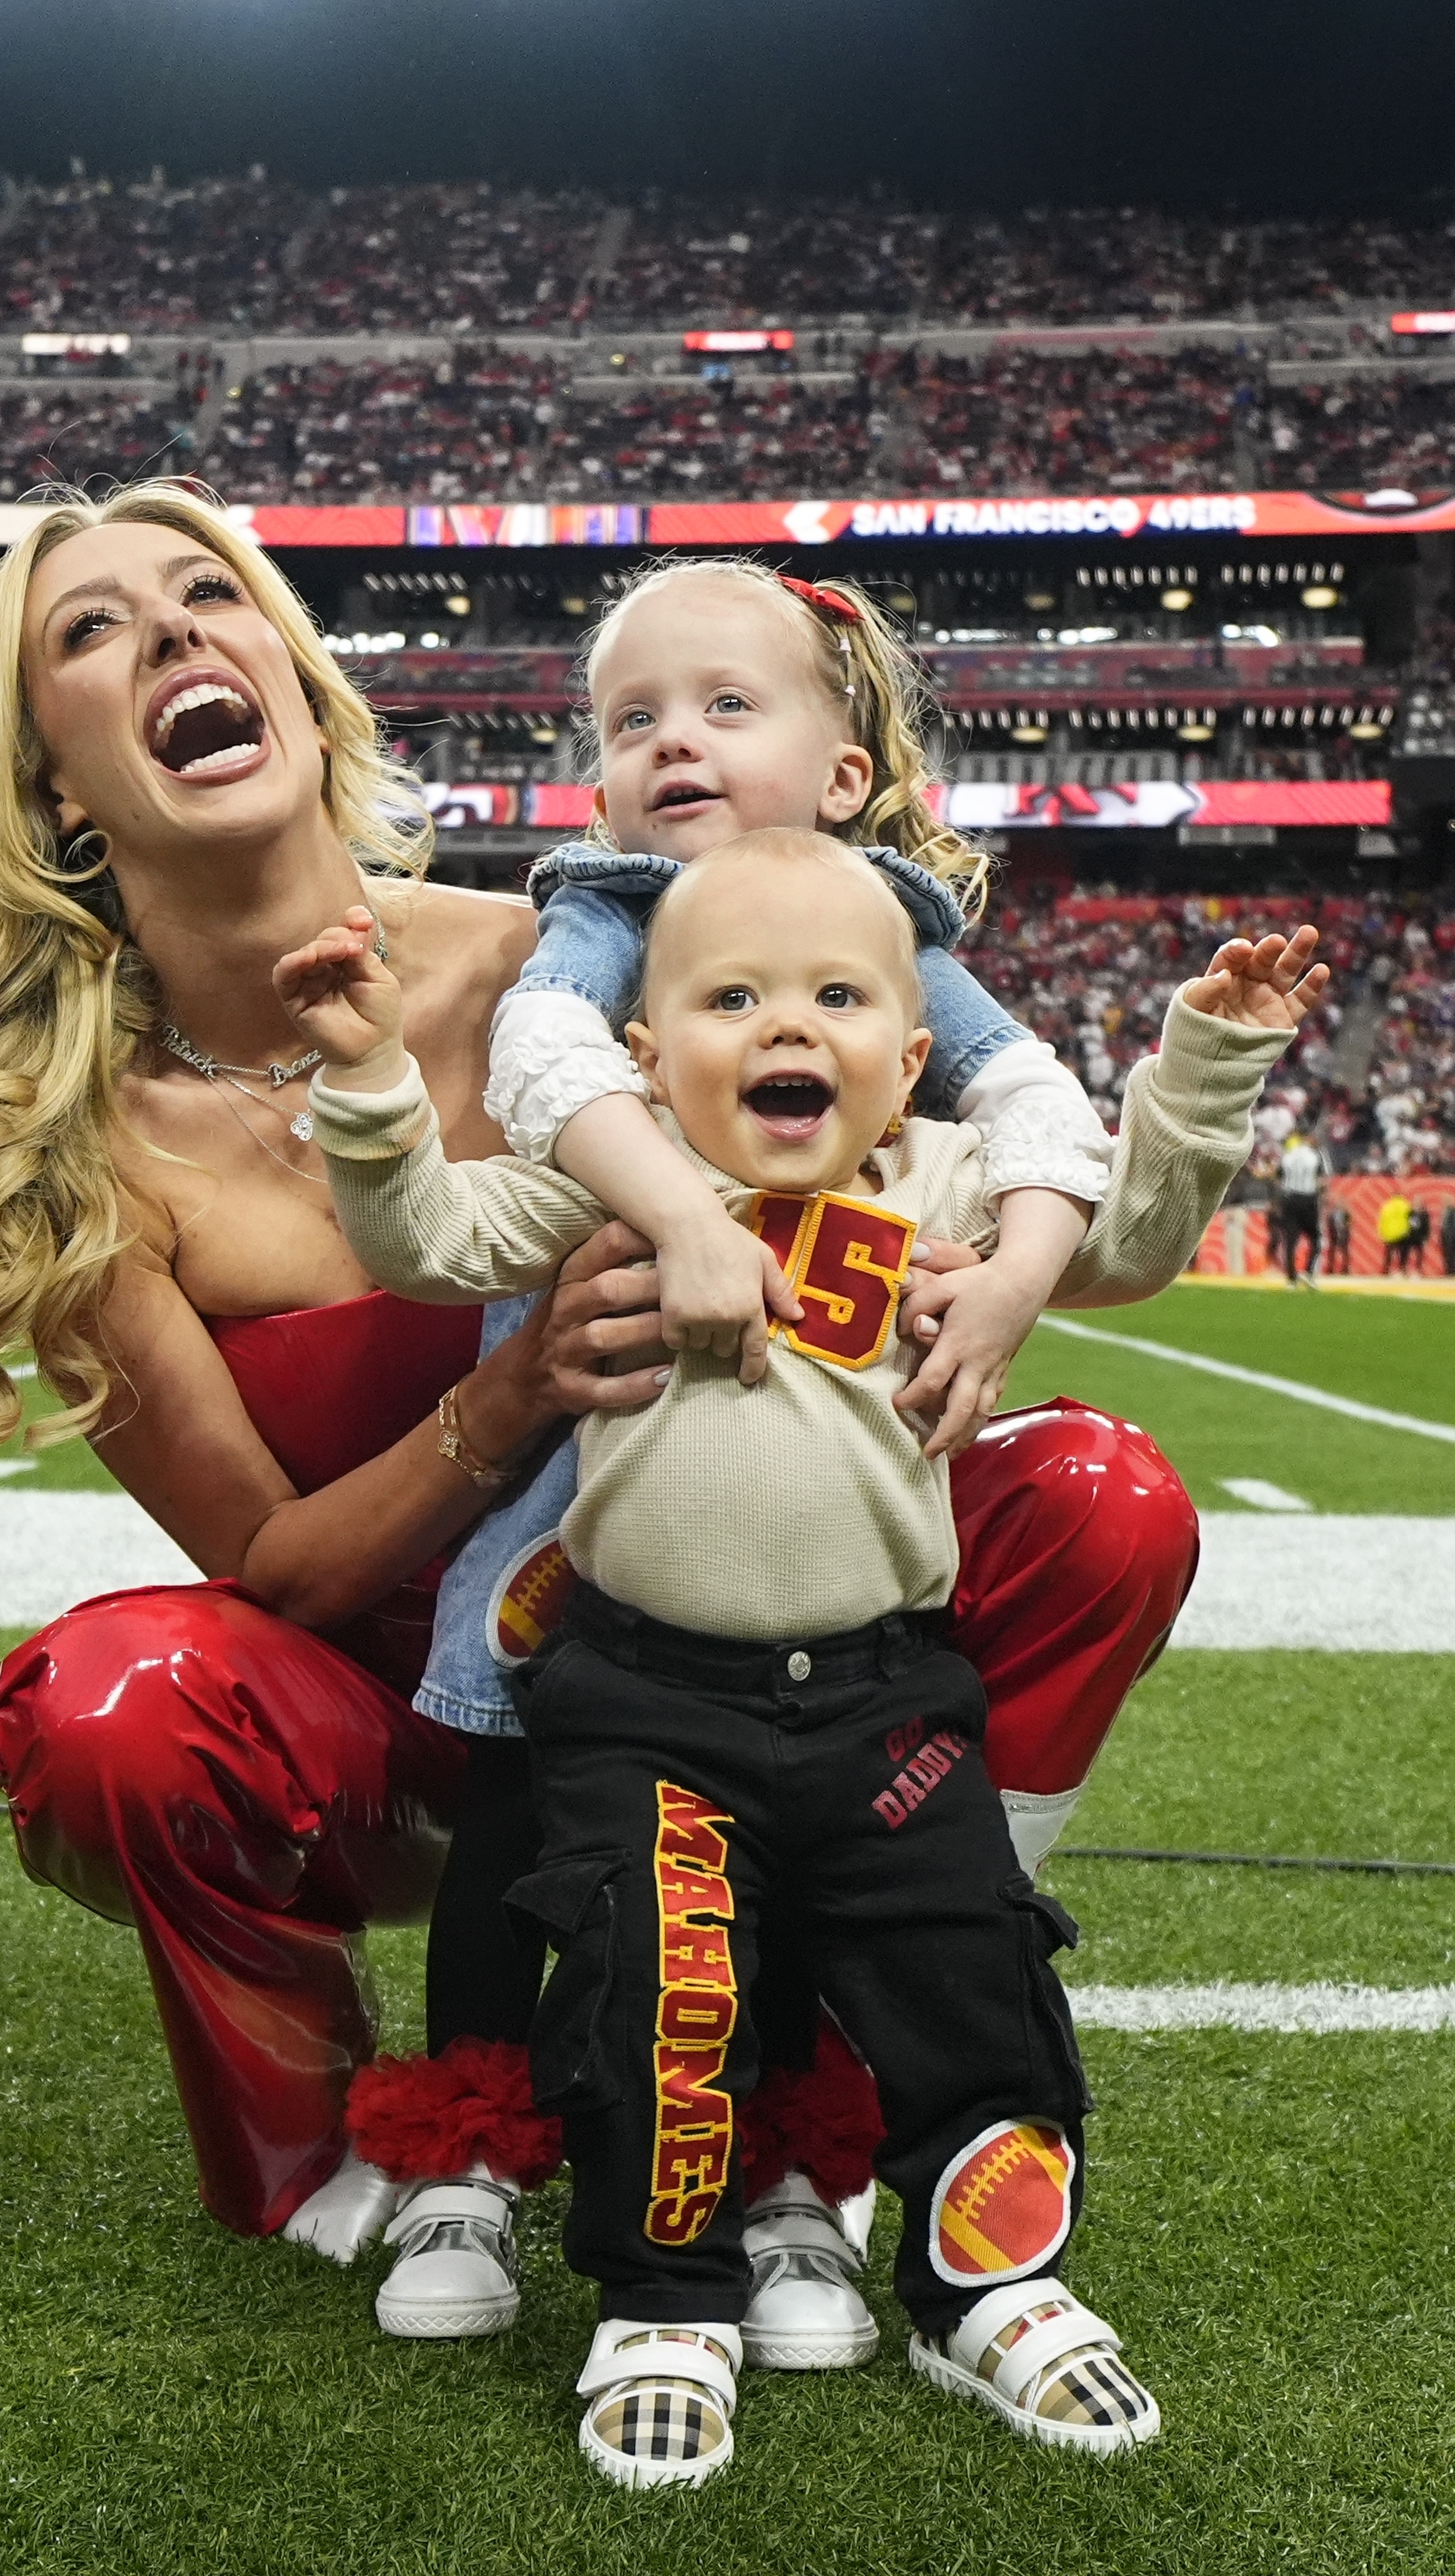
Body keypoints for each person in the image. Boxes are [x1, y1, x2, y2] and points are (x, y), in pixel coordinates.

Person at [0, 481, 1200, 2310]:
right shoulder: (56, 1152)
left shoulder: (600, 947)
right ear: (56, 784)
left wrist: (974, 1262)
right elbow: (270, 1565)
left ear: (302, 692)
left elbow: (909, 1130)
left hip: (714, 1645)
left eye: (207, 595)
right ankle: (341, 2135)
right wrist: (517, 1396)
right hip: (395, 1732)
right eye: (89, 631)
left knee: (1109, 1493)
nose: (169, 636)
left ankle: (869, 2039)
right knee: (117, 1707)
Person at [277, 831, 1321, 2482]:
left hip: (884, 1685)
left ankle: (991, 2279)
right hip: (643, 1691)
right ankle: (667, 2293)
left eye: (837, 994)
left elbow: (1125, 1241)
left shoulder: (951, 1180)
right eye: (733, 994)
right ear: (641, 1053)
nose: (789, 1026)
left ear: (910, 1057)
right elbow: (421, 1234)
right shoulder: (609, 1184)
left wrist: (1203, 1063)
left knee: (971, 1970)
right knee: (650, 1991)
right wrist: (367, 1075)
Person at [347, 559, 1125, 2349]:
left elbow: (1029, 1104)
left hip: (815, 1446)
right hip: (598, 1417)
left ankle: (777, 2155)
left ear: (845, 769)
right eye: (630, 720)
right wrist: (680, 1225)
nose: (668, 743)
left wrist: (1010, 1271)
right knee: (520, 1789)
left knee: (771, 1841)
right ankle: (473, 2138)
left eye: (721, 705)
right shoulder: (613, 915)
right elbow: (542, 1058)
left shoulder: (893, 937)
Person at [1274, 1129, 1323, 1285]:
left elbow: (1278, 1177)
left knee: (1290, 1240)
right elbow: (1322, 1180)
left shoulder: (1288, 1155)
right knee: (1315, 1238)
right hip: (1308, 1199)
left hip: (1290, 1199)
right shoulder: (1315, 1155)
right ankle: (1309, 1273)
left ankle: (1291, 1278)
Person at [1377, 1188, 1412, 1274]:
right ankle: (1403, 1270)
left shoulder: (1387, 1206)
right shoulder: (1406, 1206)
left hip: (1390, 1234)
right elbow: (1411, 1220)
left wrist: (1382, 1233)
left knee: (1388, 1254)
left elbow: (1382, 1221)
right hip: (1403, 1233)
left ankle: (1386, 1270)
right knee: (1403, 1254)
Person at [1322, 1198, 1353, 1278]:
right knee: (1332, 1254)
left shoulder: (1346, 1214)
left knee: (1345, 1254)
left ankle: (1345, 1269)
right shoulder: (1331, 1215)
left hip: (1344, 1237)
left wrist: (1345, 1231)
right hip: (1334, 1237)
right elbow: (1329, 1226)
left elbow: (1349, 1225)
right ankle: (1330, 1269)